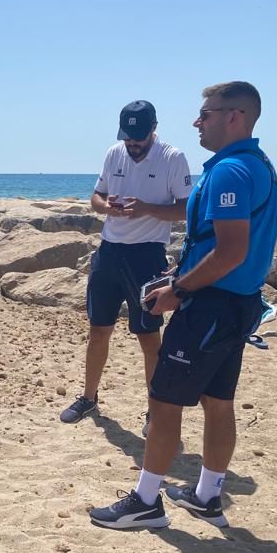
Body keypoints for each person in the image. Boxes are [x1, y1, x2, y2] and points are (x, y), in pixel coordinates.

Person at [90, 81, 277, 529]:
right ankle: (207, 495)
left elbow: (230, 251)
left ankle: (145, 501)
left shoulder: (231, 171)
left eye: (206, 113)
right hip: (240, 303)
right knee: (218, 400)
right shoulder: (258, 164)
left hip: (213, 305)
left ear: (235, 116)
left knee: (164, 399)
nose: (198, 120)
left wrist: (180, 290)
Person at [60, 101, 192, 435]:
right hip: (109, 252)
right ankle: (88, 397)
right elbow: (95, 197)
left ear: (153, 128)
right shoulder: (114, 153)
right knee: (98, 329)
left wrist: (147, 209)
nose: (132, 143)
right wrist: (108, 208)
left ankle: (155, 412)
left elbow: (187, 209)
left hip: (147, 257)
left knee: (148, 337)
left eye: (139, 136)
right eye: (128, 136)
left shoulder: (172, 158)